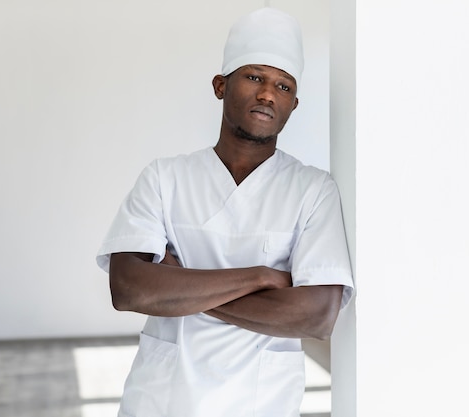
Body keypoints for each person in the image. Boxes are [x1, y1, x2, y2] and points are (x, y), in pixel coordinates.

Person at [96, 7, 354, 417]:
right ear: (220, 85)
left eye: (284, 86)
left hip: (261, 403)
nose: (268, 94)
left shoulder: (313, 190)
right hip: (162, 402)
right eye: (254, 77)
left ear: (294, 103)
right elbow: (128, 288)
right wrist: (262, 277)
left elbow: (317, 315)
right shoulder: (166, 178)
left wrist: (177, 285)